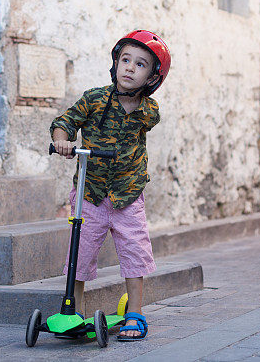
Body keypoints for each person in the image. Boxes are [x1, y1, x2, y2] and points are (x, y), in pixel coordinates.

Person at [50, 30, 171, 341]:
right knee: (81, 250)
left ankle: (136, 313)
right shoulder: (94, 99)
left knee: (134, 250)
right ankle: (72, 311)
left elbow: (143, 112)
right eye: (125, 60)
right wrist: (62, 142)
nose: (130, 68)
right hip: (89, 195)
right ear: (115, 63)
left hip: (128, 195)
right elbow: (65, 121)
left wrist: (137, 97)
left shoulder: (148, 110)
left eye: (141, 64)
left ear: (153, 77)